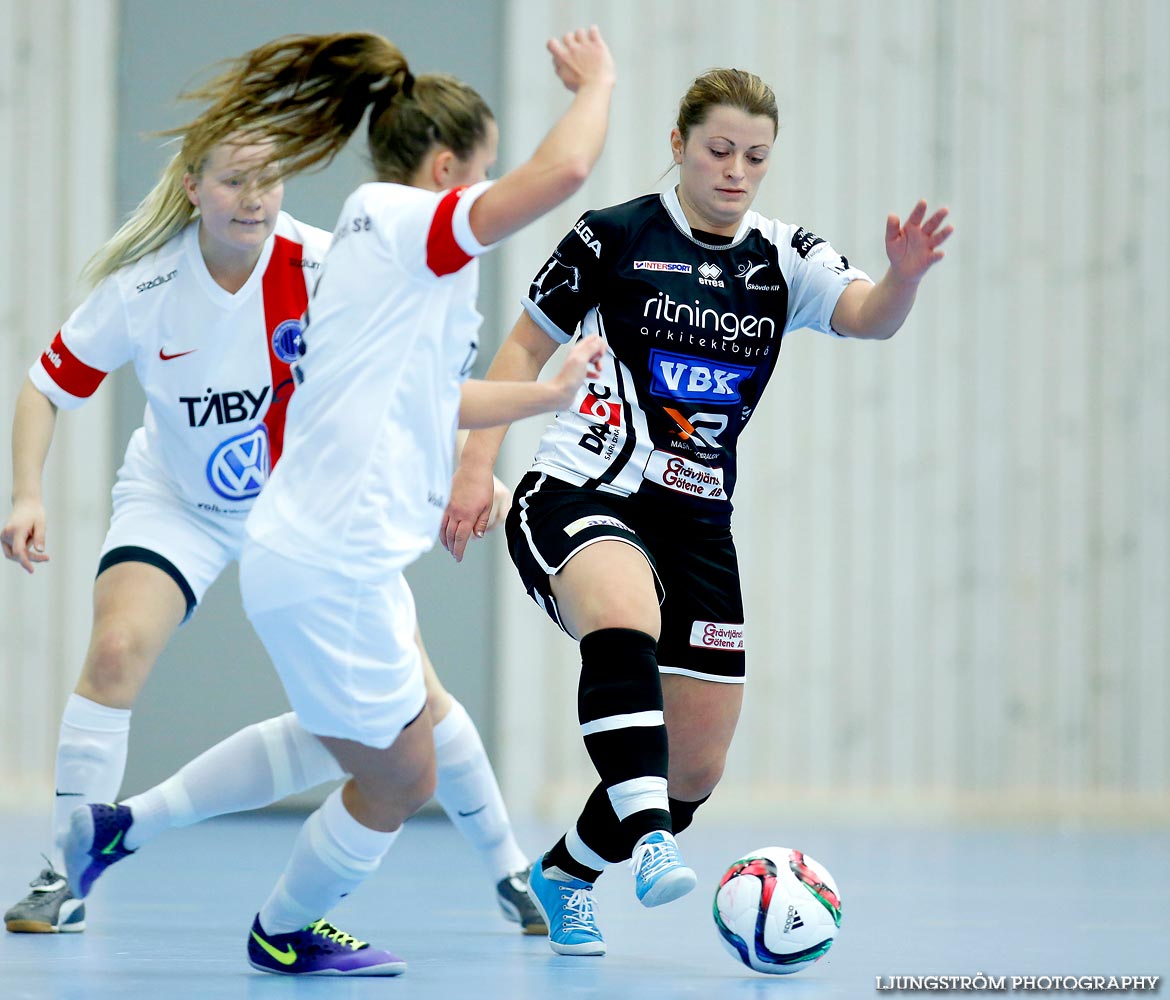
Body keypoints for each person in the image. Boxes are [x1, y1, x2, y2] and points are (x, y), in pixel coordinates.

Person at [63, 27, 615, 977]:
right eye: (480, 171)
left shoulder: (373, 237)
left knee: (359, 734)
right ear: (447, 168)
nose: (486, 187)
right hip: (334, 563)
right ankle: (285, 929)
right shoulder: (412, 224)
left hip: (315, 550)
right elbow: (563, 172)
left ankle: (126, 825)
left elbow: (426, 398)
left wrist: (546, 396)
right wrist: (598, 82)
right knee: (404, 775)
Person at [440, 66, 953, 956]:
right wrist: (473, 470)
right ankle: (646, 845)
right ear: (677, 145)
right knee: (624, 608)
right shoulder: (612, 237)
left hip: (700, 525)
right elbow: (525, 343)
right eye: (719, 150)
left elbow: (869, 316)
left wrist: (903, 278)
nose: (737, 171)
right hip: (583, 490)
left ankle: (565, 873)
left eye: (756, 157)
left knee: (697, 765)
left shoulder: (783, 257)